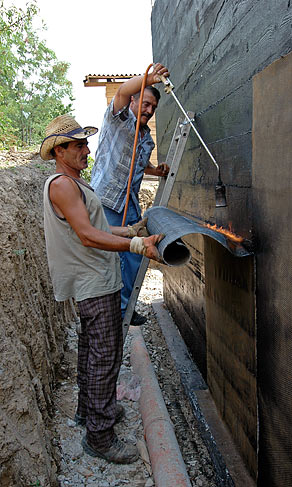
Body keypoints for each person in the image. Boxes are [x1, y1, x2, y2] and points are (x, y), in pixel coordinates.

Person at [40, 114, 164, 464]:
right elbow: (88, 236)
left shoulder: (75, 184)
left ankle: (89, 412)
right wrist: (137, 247)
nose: (86, 149)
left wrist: (131, 231)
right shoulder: (63, 185)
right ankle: (100, 436)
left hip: (94, 281)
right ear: (59, 151)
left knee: (92, 352)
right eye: (78, 145)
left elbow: (99, 227)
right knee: (104, 358)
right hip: (93, 284)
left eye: (85, 143)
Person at [90, 63, 170, 326]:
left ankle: (125, 307)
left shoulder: (147, 138)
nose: (148, 110)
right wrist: (151, 78)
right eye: (145, 103)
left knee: (135, 254)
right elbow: (123, 91)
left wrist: (156, 171)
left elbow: (139, 164)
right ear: (134, 100)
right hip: (108, 199)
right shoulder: (118, 119)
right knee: (109, 255)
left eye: (153, 108)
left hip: (130, 202)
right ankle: (106, 311)